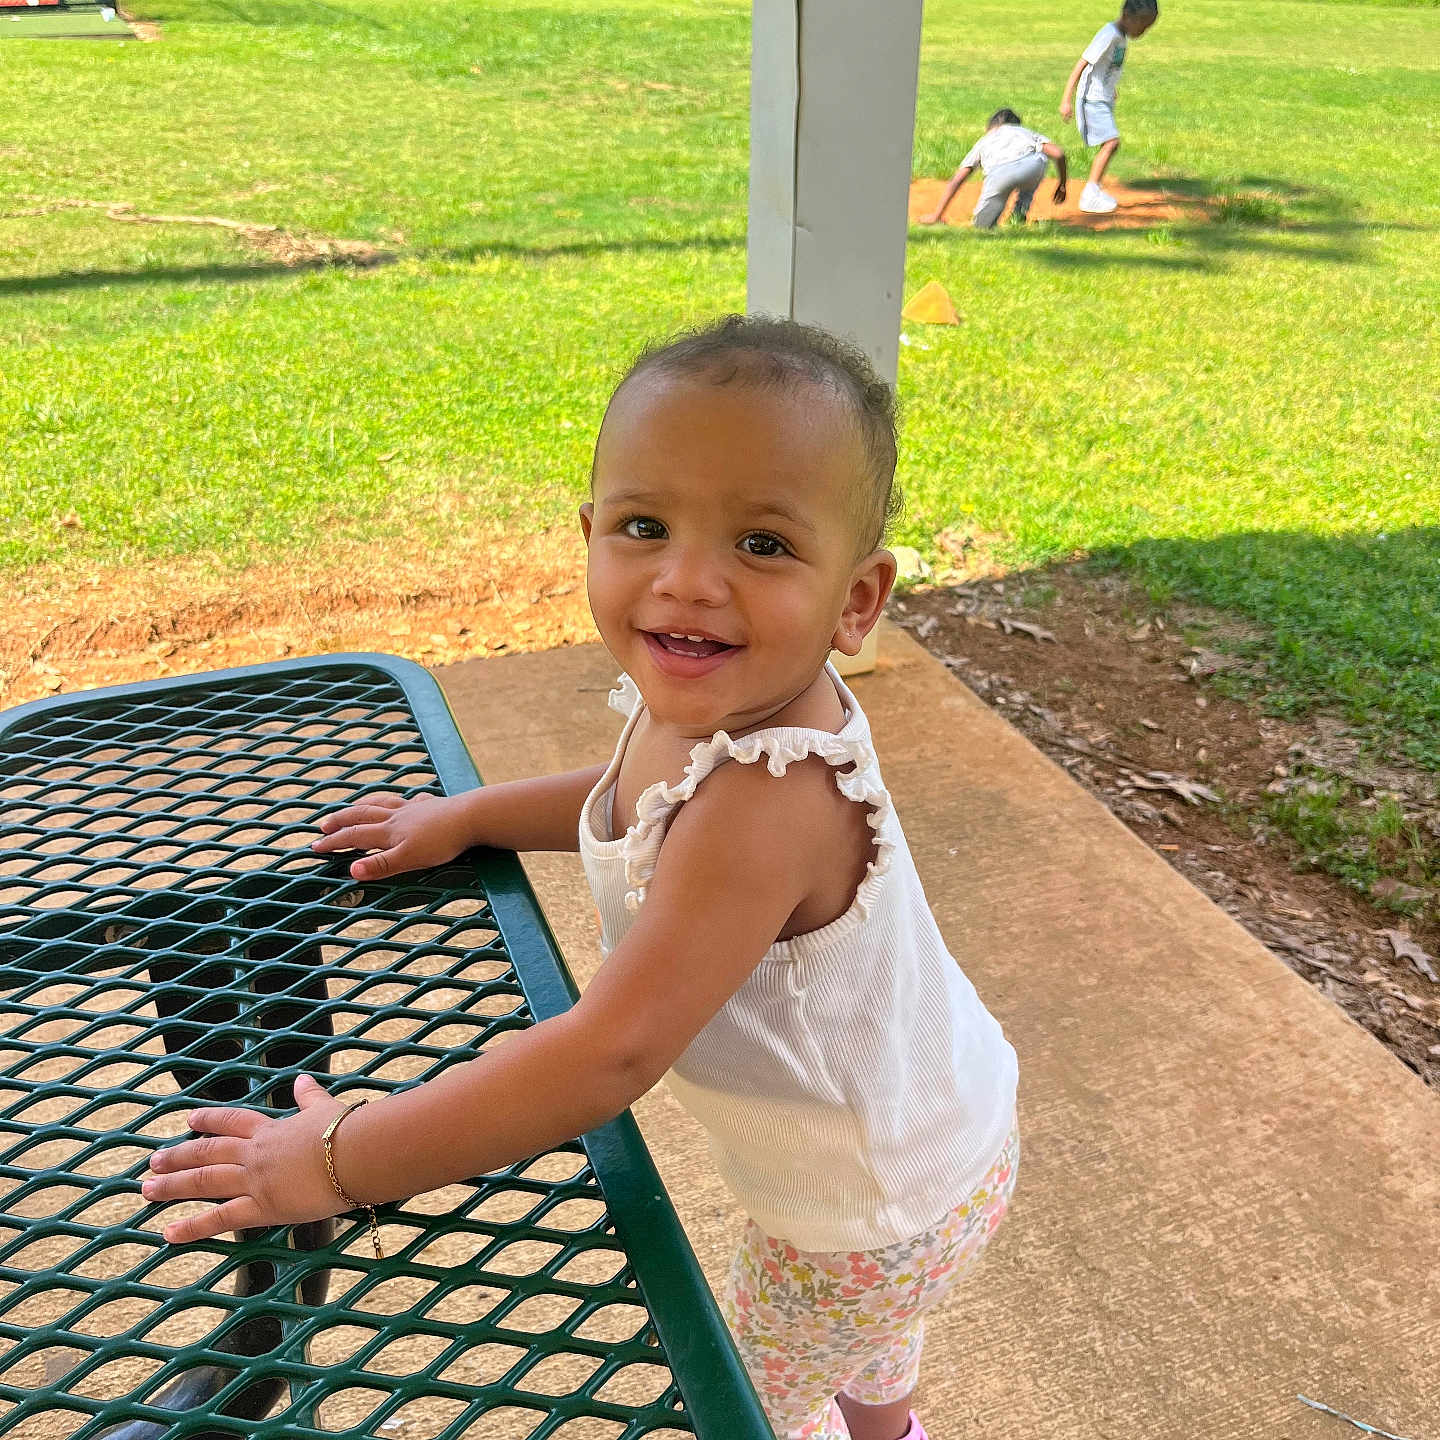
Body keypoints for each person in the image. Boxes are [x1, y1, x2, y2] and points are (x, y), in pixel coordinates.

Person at [143, 315, 1020, 1440]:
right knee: (864, 1344)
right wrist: (471, 814)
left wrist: (341, 1159)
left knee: (750, 1406)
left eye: (762, 544)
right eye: (646, 527)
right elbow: (624, 802)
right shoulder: (715, 705)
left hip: (869, 1209)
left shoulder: (766, 798)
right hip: (924, 1136)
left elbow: (605, 1054)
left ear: (858, 600)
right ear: (592, 533)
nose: (689, 581)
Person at [1060, 0, 1160, 214]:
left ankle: (1094, 190)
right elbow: (1082, 63)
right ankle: (1090, 194)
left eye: (1147, 28)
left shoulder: (1121, 37)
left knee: (1110, 143)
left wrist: (1111, 87)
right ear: (1127, 16)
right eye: (1142, 26)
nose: (1143, 32)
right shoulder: (1109, 34)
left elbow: (1106, 67)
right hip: (1091, 99)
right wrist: (1066, 99)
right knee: (1111, 142)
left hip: (1102, 97)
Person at [920, 107, 1067, 227]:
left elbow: (957, 179)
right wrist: (1062, 184)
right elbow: (1058, 154)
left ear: (990, 126)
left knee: (982, 228)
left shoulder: (985, 140)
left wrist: (936, 215)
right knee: (1037, 160)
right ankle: (1018, 216)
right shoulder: (1024, 133)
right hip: (1032, 167)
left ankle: (1004, 219)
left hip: (999, 174)